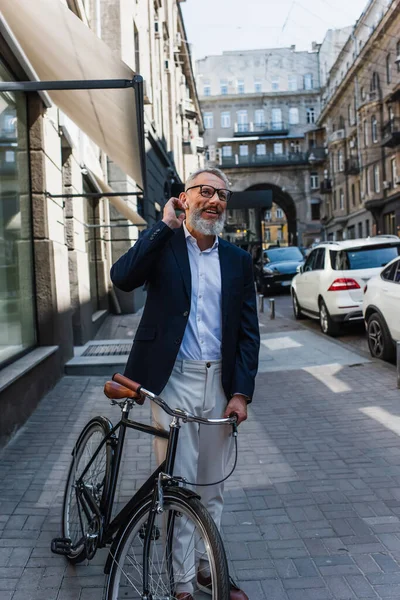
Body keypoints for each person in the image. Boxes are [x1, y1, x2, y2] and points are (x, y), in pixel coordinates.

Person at [111, 167, 260, 600]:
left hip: (219, 383)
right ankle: (180, 586)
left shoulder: (237, 260)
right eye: (205, 192)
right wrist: (163, 225)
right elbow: (123, 278)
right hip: (172, 379)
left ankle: (206, 566)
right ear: (186, 197)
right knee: (177, 482)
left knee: (212, 486)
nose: (214, 201)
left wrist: (240, 393)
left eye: (222, 195)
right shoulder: (166, 247)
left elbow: (248, 332)